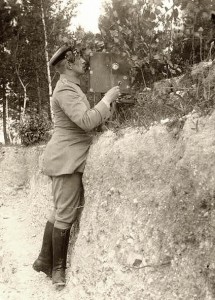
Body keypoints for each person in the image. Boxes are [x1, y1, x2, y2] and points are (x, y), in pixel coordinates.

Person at [32, 43, 121, 288]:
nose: (85, 60)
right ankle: (57, 270)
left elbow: (89, 118)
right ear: (69, 64)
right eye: (80, 58)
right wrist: (107, 99)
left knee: (60, 209)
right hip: (66, 158)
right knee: (65, 213)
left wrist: (107, 107)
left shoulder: (70, 87)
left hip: (69, 155)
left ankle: (43, 259)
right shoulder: (65, 90)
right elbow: (85, 121)